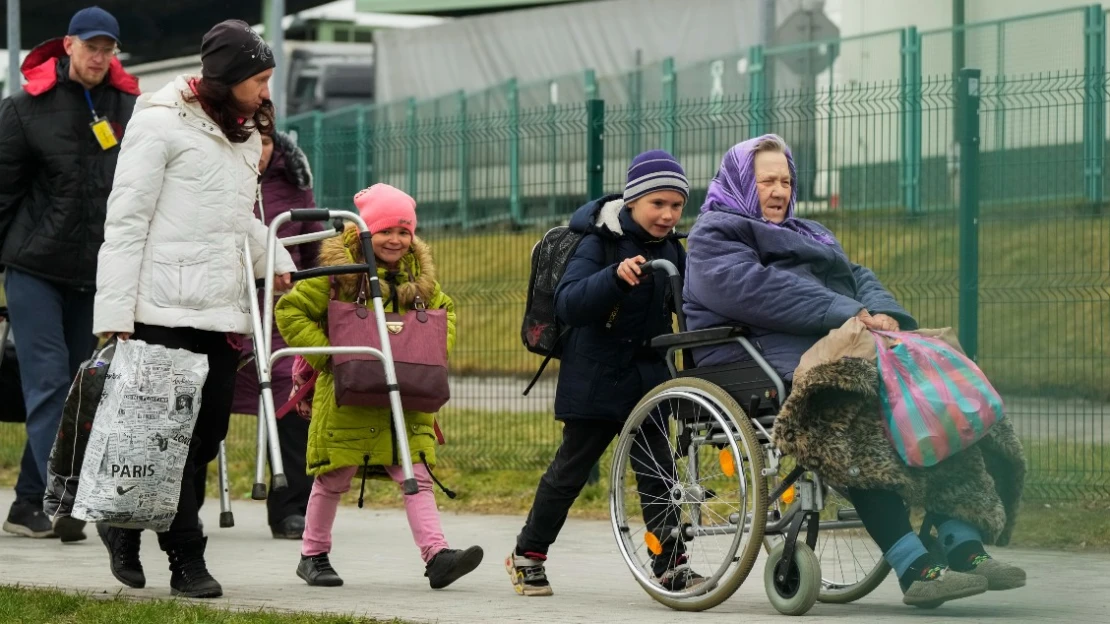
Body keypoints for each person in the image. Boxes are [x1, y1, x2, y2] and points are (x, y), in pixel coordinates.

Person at [683, 134, 1026, 607]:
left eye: (786, 179)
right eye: (767, 181)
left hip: (838, 343)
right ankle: (912, 564)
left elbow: (856, 274)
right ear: (742, 181)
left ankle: (961, 539)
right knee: (850, 405)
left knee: (939, 394)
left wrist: (880, 312)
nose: (779, 190)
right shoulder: (715, 234)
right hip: (756, 357)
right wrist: (844, 310)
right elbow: (752, 289)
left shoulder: (811, 232)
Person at [91, 19, 297, 599]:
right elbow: (126, 221)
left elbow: (232, 219)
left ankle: (122, 521)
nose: (265, 91)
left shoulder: (246, 133)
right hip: (162, 307)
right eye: (257, 78)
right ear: (228, 77)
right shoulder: (158, 124)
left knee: (204, 440)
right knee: (163, 437)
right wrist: (115, 316)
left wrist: (273, 255)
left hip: (224, 310)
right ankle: (186, 558)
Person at [507, 150, 704, 597]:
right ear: (633, 201)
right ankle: (528, 555)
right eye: (658, 204)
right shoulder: (599, 241)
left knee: (659, 476)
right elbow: (569, 302)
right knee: (569, 473)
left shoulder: (673, 248)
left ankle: (670, 563)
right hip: (594, 378)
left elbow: (688, 308)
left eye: (677, 205)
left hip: (647, 380)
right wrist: (613, 277)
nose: (669, 214)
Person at [276, 183, 483, 590]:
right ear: (363, 232)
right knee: (334, 475)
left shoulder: (419, 282)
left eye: (404, 231)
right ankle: (313, 555)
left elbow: (446, 313)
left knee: (416, 474)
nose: (396, 239)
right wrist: (333, 357)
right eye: (386, 230)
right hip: (347, 395)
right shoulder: (338, 278)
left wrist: (430, 355)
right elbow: (290, 310)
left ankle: (437, 556)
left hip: (404, 395)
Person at [0, 6, 139, 543]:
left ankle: (29, 502)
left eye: (108, 49)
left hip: (97, 272)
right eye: (91, 47)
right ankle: (68, 497)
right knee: (48, 383)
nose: (99, 58)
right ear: (68, 46)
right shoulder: (22, 110)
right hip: (34, 267)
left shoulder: (130, 108)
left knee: (81, 391)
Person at [193, 130, 324, 540]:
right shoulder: (213, 174)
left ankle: (290, 509)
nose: (259, 151)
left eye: (265, 142)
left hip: (280, 313)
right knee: (200, 400)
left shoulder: (294, 181)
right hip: (224, 309)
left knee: (289, 390)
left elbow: (315, 248)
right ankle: (184, 506)